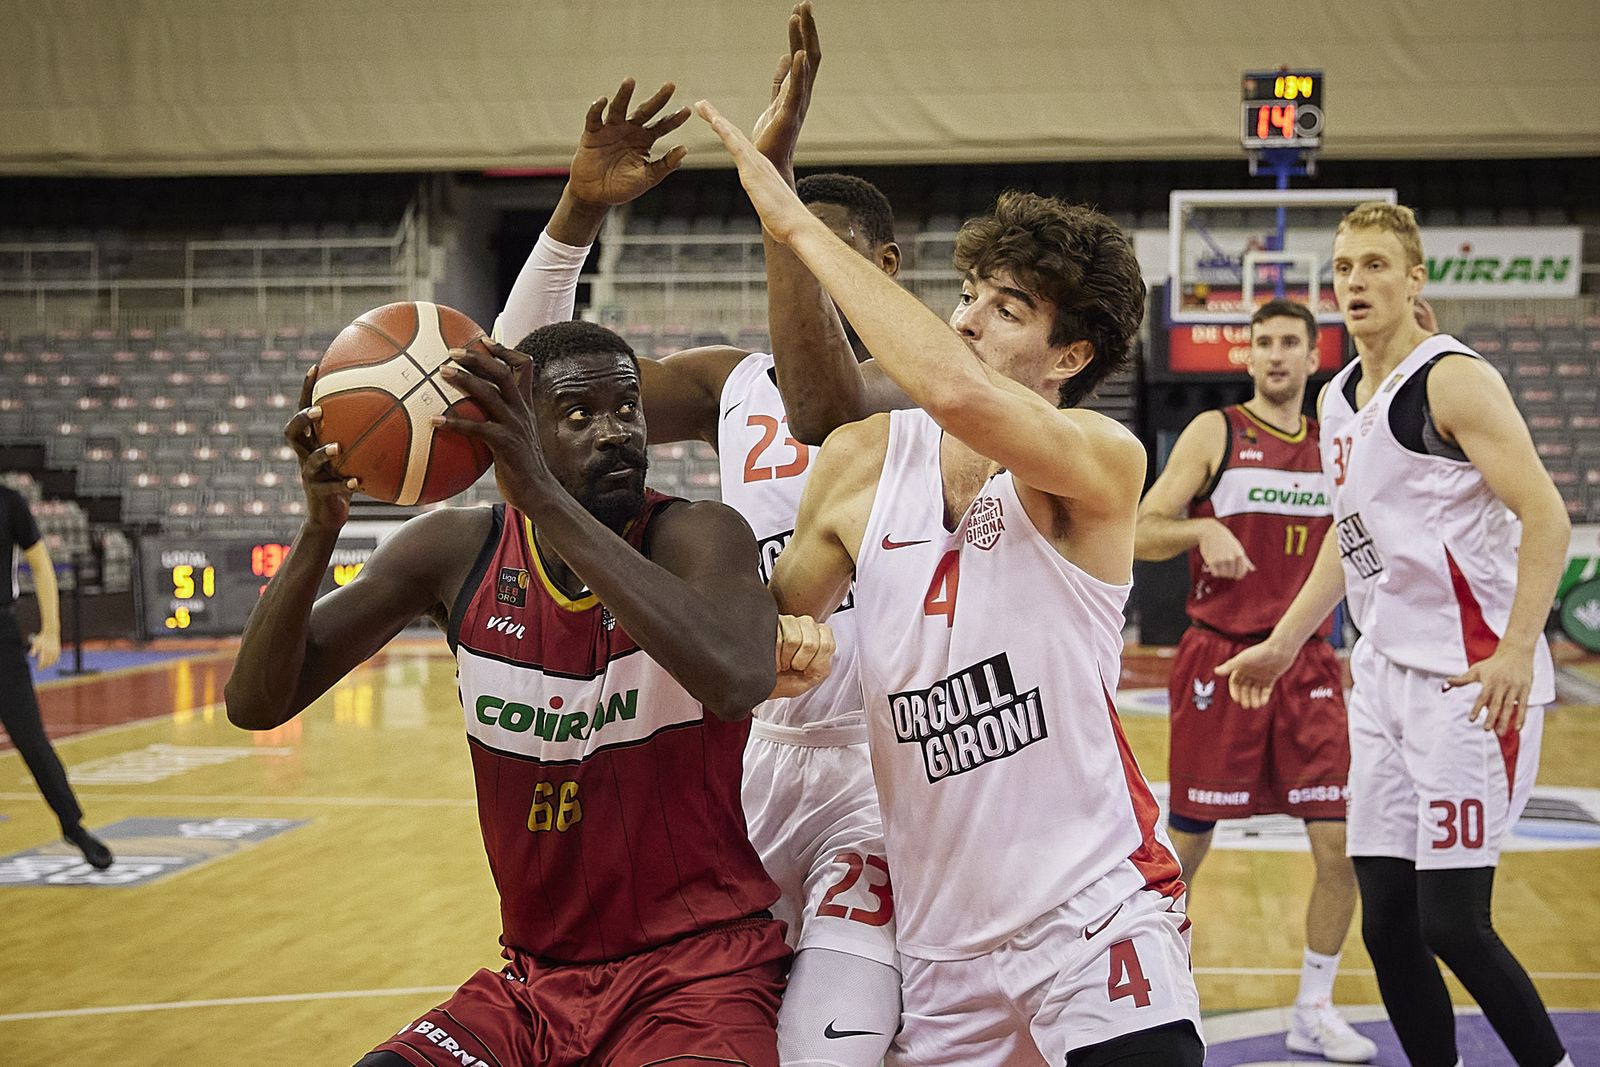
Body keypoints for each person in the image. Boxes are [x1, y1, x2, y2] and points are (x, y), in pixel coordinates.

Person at [698, 96, 1205, 1066]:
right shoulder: (860, 464)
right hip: (939, 942)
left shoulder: (1096, 464)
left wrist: (791, 220)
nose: (966, 316)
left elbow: (960, 392)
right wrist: (775, 639)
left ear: (1071, 355)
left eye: (1005, 308)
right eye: (968, 292)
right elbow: (757, 637)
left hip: (1093, 908)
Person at [225, 319, 837, 1067]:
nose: (616, 432)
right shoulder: (454, 552)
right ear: (519, 430)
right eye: (581, 415)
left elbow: (737, 678)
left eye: (628, 407)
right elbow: (257, 701)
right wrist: (320, 527)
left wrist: (546, 498)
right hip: (534, 988)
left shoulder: (698, 535)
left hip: (698, 976)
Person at [494, 13, 907, 1063]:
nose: (796, 274)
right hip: (743, 755)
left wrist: (778, 190)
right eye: (779, 243)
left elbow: (833, 405)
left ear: (885, 268)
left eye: (817, 251)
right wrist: (575, 213)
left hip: (883, 766)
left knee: (838, 1046)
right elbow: (527, 382)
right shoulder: (734, 381)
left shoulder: (929, 389)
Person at [1218, 202, 1574, 1067]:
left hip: (1470, 685)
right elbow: (1353, 540)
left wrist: (1519, 648)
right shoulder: (1340, 394)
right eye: (1343, 267)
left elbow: (1547, 515)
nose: (1355, 283)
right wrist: (1285, 639)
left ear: (1416, 279)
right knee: (1386, 918)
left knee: (1453, 919)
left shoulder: (1452, 379)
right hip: (1380, 681)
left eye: (1376, 265)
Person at [1134, 298, 1374, 1062]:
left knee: (1341, 847)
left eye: (1289, 344)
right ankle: (1161, 1003)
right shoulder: (1218, 432)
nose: (1275, 355)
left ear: (1313, 358)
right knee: (1185, 846)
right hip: (1220, 658)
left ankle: (1314, 1005)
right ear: (1248, 357)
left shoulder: (1340, 442)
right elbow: (1141, 527)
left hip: (1305, 662)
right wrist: (1202, 526)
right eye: (1262, 343)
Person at [0, 483, 112, 871]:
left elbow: (41, 563)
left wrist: (51, 630)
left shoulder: (8, 503)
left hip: (2, 639)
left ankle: (73, 826)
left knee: (32, 742)